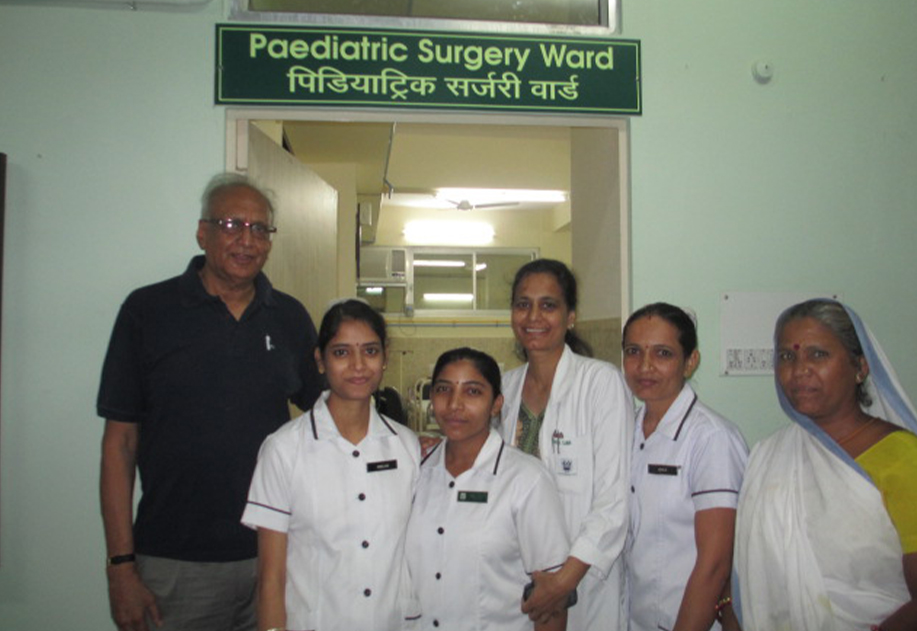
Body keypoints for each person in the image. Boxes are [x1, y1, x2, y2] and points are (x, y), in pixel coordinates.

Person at [98, 173, 322, 631]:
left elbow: (331, 417)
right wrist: (120, 566)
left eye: (259, 229)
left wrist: (406, 444)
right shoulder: (147, 312)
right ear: (203, 233)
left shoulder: (289, 317)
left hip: (275, 555)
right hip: (176, 565)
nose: (247, 240)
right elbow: (119, 445)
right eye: (232, 225)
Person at [734, 299, 917, 631]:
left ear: (860, 367)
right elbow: (748, 576)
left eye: (818, 354)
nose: (799, 370)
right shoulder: (769, 454)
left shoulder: (902, 457)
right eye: (786, 356)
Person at [242, 299, 421, 631]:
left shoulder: (406, 446)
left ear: (384, 358)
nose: (358, 365)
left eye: (370, 351)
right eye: (341, 352)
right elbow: (270, 578)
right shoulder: (283, 450)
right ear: (320, 361)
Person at [498, 258, 633, 631]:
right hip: (517, 576)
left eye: (548, 305)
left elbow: (613, 501)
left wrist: (562, 583)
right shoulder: (505, 388)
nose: (533, 316)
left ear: (570, 316)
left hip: (582, 582)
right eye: (523, 304)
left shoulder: (601, 383)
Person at [406, 347, 571, 631]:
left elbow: (551, 600)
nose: (455, 404)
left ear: (496, 404)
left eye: (472, 392)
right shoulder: (416, 471)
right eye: (444, 389)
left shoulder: (526, 480)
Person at [621, 303, 748, 631]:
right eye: (634, 352)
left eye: (662, 353)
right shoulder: (627, 429)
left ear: (690, 362)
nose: (644, 366)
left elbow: (715, 565)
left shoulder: (712, 439)